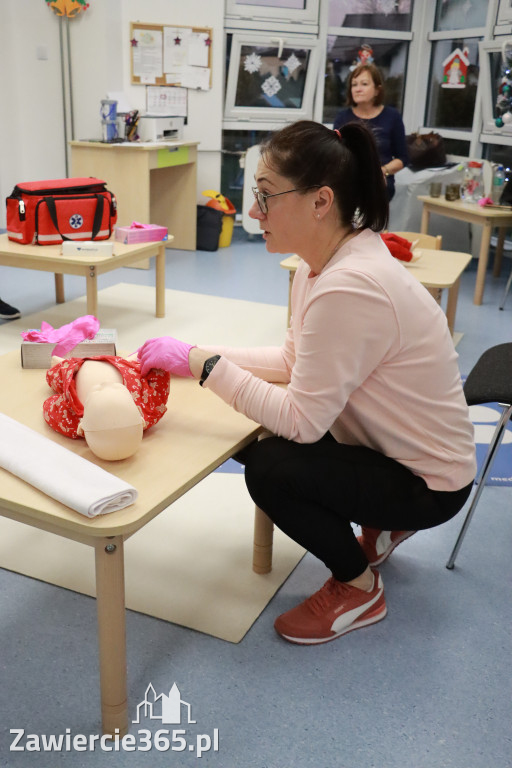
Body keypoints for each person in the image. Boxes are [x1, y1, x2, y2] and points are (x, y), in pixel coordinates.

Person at [137, 120, 476, 646]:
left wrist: (206, 365)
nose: (254, 213)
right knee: (257, 437)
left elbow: (302, 418)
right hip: (400, 453)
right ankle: (384, 526)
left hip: (430, 483)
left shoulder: (350, 285)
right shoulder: (324, 264)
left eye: (266, 197)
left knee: (270, 468)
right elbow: (296, 360)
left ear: (321, 201)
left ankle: (359, 587)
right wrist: (199, 359)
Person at [43, 355, 170, 460]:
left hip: (74, 370)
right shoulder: (150, 410)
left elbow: (49, 405)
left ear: (82, 427)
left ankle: (63, 363)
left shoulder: (71, 421)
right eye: (116, 389)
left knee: (55, 376)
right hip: (122, 364)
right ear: (141, 418)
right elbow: (159, 377)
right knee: (141, 364)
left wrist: (66, 369)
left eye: (96, 392)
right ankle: (129, 359)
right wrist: (157, 360)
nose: (104, 384)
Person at [333, 62, 408, 201]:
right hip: (349, 182)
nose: (357, 89)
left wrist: (382, 171)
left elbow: (403, 158)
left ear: (377, 90)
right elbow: (334, 154)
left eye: (364, 84)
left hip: (379, 184)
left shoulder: (392, 116)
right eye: (354, 85)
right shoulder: (342, 118)